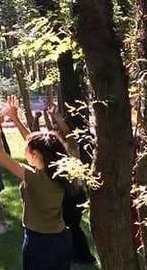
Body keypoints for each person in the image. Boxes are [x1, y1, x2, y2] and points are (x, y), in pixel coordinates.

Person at [0, 96, 72, 270]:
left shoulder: (35, 178)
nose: (25, 150)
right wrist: (15, 119)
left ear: (37, 154)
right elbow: (35, 142)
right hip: (61, 239)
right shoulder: (58, 171)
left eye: (27, 150)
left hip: (39, 242)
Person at [45, 104, 97, 265]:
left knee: (73, 227)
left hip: (75, 196)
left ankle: (85, 257)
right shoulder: (57, 153)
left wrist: (57, 117)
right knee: (69, 227)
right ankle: (76, 255)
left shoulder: (71, 149)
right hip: (67, 195)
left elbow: (69, 135)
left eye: (56, 131)